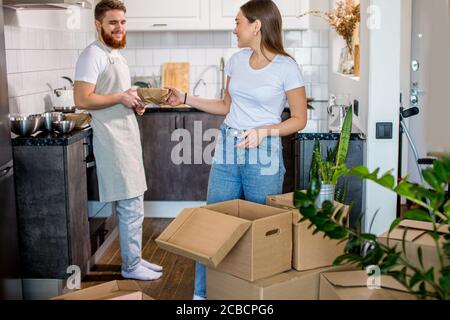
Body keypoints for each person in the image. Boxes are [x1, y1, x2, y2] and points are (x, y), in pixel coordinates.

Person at [166, 0, 307, 300]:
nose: (234, 29)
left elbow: (299, 119)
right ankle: (202, 296)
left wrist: (263, 131)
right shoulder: (236, 61)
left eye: (238, 22)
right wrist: (186, 98)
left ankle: (260, 294)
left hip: (264, 150)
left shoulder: (287, 67)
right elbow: (225, 106)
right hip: (229, 145)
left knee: (264, 227)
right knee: (212, 222)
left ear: (256, 26)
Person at [73, 0, 163, 281]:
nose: (119, 28)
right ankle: (130, 265)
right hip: (111, 137)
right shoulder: (92, 55)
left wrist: (133, 101)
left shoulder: (115, 54)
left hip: (126, 133)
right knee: (129, 202)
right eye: (113, 22)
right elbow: (82, 99)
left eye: (123, 22)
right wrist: (121, 97)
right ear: (98, 24)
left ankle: (134, 259)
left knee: (135, 200)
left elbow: (114, 94)